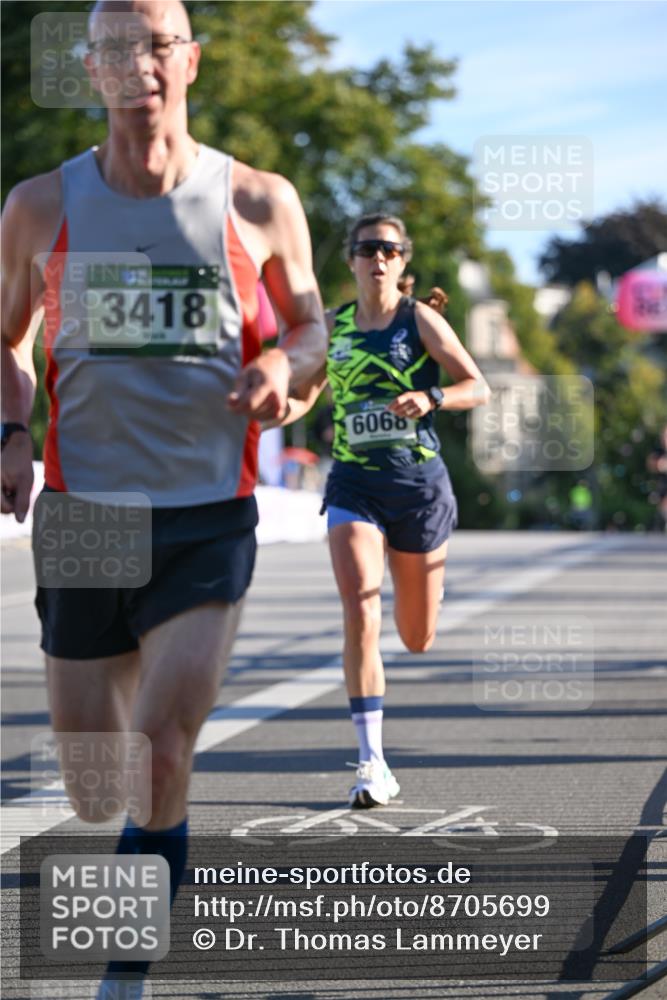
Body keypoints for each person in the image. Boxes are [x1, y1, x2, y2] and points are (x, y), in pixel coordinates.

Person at [1, 0, 326, 992]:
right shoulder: (40, 208)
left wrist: (284, 368)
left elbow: (314, 328)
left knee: (161, 747)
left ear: (189, 58)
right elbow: (8, 342)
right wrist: (13, 432)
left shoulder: (259, 202)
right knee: (95, 785)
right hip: (87, 513)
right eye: (112, 48)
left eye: (154, 43)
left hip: (203, 515)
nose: (135, 62)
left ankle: (126, 965)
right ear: (91, 71)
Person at [282, 212, 490, 808]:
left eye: (390, 250)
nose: (379, 258)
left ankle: (424, 588)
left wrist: (432, 396)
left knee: (417, 637)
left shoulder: (418, 320)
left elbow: (478, 385)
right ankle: (372, 762)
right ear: (350, 259)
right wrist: (268, 414)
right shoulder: (332, 326)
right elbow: (304, 397)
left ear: (404, 262)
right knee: (360, 610)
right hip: (355, 485)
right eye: (368, 248)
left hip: (418, 488)